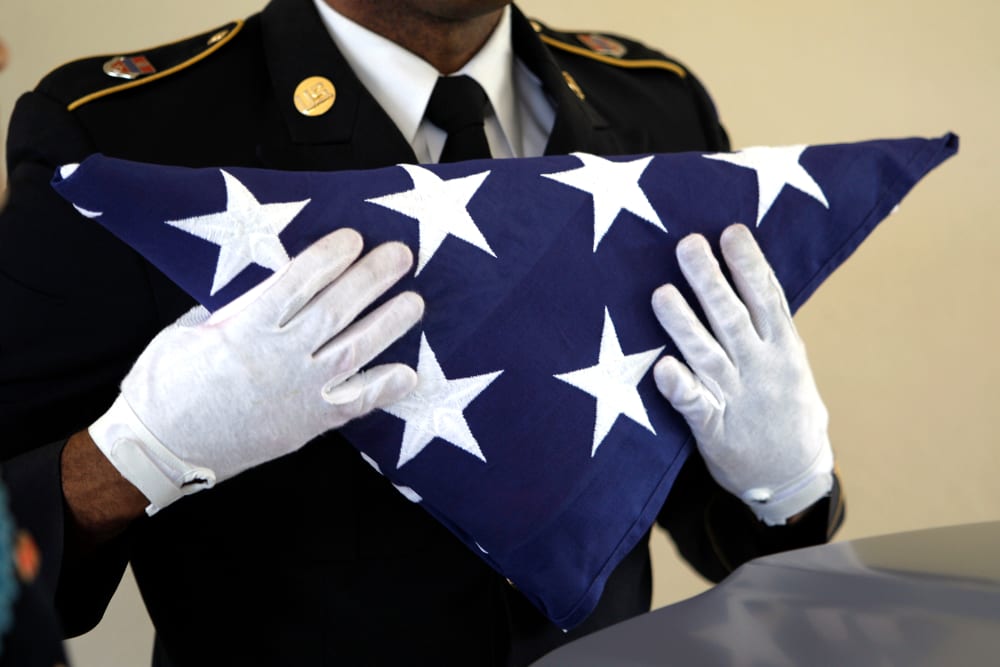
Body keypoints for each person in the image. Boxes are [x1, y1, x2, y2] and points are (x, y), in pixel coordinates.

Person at [0, 1, 844, 665]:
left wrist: (787, 482)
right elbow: (15, 540)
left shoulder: (655, 103)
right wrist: (138, 453)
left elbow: (717, 522)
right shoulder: (126, 129)